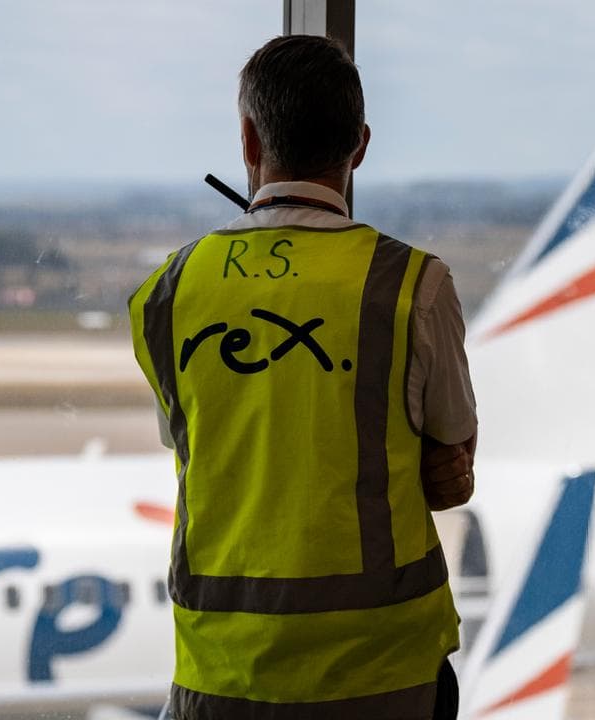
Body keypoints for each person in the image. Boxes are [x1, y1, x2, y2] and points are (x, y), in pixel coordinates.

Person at [129, 34, 476, 720]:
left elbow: (200, 442)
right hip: (385, 674)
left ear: (249, 141)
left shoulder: (167, 292)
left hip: (223, 672)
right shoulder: (415, 286)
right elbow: (451, 472)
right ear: (360, 146)